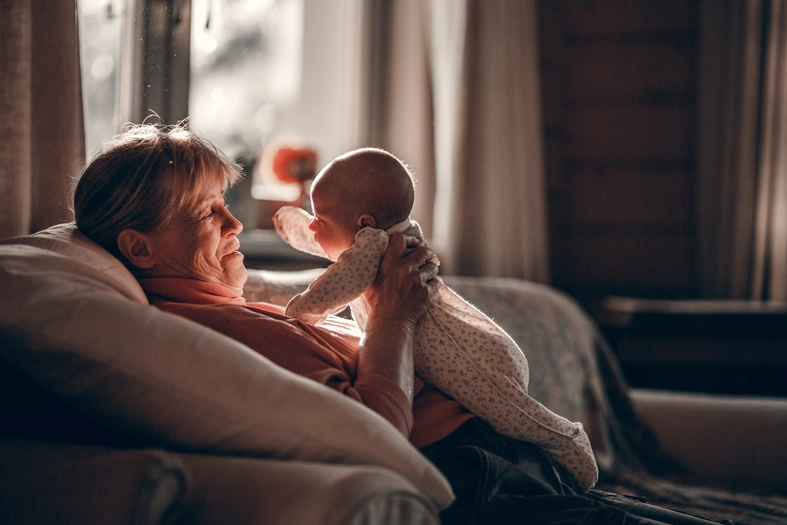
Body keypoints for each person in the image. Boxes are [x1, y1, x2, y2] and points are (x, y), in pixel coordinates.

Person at [73, 123, 730, 525]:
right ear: (138, 247)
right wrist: (393, 314)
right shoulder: (204, 333)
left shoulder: (235, 306)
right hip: (467, 474)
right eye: (206, 212)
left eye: (226, 206)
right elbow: (375, 432)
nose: (235, 223)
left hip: (490, 458)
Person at [273, 147, 598, 490]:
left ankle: (567, 439)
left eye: (318, 219)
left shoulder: (373, 248)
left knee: (512, 415)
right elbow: (338, 247)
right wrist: (304, 226)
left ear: (364, 225)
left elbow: (340, 282)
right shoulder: (391, 237)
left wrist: (301, 311)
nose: (313, 226)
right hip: (485, 346)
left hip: (472, 361)